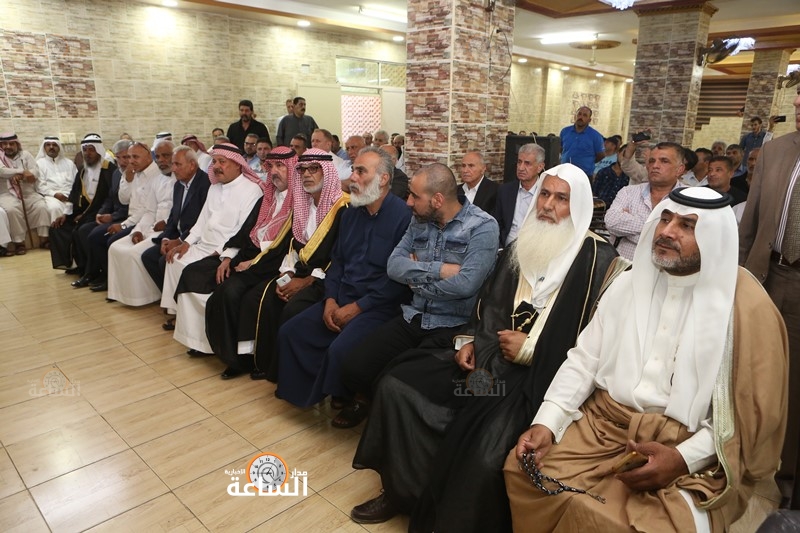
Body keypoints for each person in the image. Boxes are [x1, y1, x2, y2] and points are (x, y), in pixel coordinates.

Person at [348, 163, 621, 530]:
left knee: (485, 450)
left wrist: (532, 348)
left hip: (539, 379)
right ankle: (400, 493)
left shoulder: (602, 263)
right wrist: (471, 340)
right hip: (488, 361)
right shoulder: (522, 244)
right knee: (397, 386)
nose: (547, 205)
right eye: (544, 194)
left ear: (579, 207)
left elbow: (595, 346)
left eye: (561, 199)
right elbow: (489, 303)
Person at [504, 186, 788, 531]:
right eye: (665, 219)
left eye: (687, 225)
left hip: (688, 442)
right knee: (522, 471)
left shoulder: (745, 310)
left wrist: (682, 459)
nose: (667, 232)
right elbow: (583, 361)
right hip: (602, 426)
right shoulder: (627, 284)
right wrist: (546, 423)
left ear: (715, 239)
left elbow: (742, 419)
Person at [335, 163, 499, 428]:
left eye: (414, 196)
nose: (408, 202)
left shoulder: (482, 226)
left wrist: (416, 282)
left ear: (437, 200)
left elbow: (465, 285)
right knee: (353, 365)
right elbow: (393, 266)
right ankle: (373, 403)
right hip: (414, 316)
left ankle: (388, 417)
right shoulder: (419, 220)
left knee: (395, 377)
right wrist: (440, 270)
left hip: (452, 325)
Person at [276, 147, 411, 406]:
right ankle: (306, 394)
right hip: (341, 296)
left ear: (383, 179)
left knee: (341, 350)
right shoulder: (350, 214)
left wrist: (357, 307)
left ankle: (348, 398)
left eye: (361, 172)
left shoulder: (404, 219)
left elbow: (398, 281)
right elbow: (337, 263)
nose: (352, 178)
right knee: (292, 331)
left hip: (378, 306)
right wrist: (330, 300)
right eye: (353, 170)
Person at [205, 148, 346, 379]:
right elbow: (292, 245)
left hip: (321, 278)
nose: (307, 174)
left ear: (327, 172)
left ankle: (265, 362)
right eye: (302, 170)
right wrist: (288, 273)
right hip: (295, 271)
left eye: (314, 169)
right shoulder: (303, 205)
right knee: (258, 294)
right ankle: (247, 358)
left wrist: (306, 281)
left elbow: (339, 255)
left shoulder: (342, 209)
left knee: (262, 299)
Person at [173, 146, 295, 369]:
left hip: (270, 261)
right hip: (247, 253)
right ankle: (202, 342)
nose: (274, 171)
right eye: (271, 166)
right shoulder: (268, 198)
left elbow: (285, 246)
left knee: (228, 291)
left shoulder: (297, 203)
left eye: (281, 166)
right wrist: (228, 256)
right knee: (192, 272)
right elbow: (245, 231)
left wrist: (252, 262)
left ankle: (235, 359)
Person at [739, 85, 800, 509]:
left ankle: (789, 473)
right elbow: (752, 220)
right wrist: (739, 275)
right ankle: (738, 453)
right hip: (767, 275)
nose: (796, 103)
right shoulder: (776, 151)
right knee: (748, 367)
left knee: (793, 384)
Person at [160, 143, 263, 350]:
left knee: (191, 273)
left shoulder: (252, 191)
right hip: (203, 245)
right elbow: (201, 221)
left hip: (224, 251)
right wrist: (186, 242)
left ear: (238, 164)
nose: (216, 166)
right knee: (174, 260)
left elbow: (243, 232)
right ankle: (183, 320)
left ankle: (204, 339)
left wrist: (226, 255)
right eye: (214, 161)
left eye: (222, 162)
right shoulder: (214, 188)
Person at [109, 146, 209, 307]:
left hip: (194, 238)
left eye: (177, 164)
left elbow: (201, 222)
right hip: (174, 234)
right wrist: (166, 238)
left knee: (164, 260)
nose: (173, 168)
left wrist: (180, 241)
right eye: (173, 164)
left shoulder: (205, 185)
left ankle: (177, 305)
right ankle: (169, 299)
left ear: (192, 165)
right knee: (148, 257)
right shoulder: (179, 184)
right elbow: (173, 217)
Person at [605, 142, 684, 260]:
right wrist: (663, 227)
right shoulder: (628, 192)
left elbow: (685, 237)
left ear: (679, 169)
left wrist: (629, 226)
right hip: (626, 266)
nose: (655, 166)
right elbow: (611, 222)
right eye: (651, 161)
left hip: (666, 268)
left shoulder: (689, 197)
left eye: (664, 161)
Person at [49, 134, 116, 271]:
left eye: (91, 150)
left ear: (99, 151)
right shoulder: (82, 170)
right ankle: (76, 265)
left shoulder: (109, 170)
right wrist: (65, 214)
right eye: (85, 150)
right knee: (57, 228)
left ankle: (93, 269)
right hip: (83, 212)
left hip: (100, 213)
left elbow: (110, 199)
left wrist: (85, 215)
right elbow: (74, 194)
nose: (87, 153)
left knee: (81, 229)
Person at [0, 132, 50, 254]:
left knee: (41, 207)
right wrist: (22, 171)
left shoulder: (25, 155)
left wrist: (22, 176)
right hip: (7, 194)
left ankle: (44, 239)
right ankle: (19, 243)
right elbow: (2, 171)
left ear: (17, 144)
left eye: (11, 144)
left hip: (28, 192)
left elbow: (35, 171)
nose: (8, 146)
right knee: (12, 210)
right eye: (4, 144)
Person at [495, 143, 546, 246]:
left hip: (534, 248)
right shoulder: (505, 191)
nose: (521, 168)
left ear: (540, 167)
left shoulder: (546, 194)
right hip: (505, 248)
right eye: (519, 162)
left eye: (527, 163)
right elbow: (496, 223)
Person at [35, 135, 78, 225]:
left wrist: (72, 195)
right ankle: (58, 232)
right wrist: (55, 194)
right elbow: (40, 186)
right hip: (51, 196)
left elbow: (77, 182)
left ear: (59, 147)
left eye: (54, 145)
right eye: (48, 145)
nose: (51, 147)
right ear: (44, 148)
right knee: (55, 208)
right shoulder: (39, 164)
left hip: (71, 195)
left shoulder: (69, 163)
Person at [559, 106, 605, 180]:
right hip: (565, 173)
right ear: (575, 116)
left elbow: (601, 155)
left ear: (589, 120)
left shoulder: (595, 136)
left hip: (584, 175)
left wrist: (587, 162)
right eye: (579, 114)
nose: (581, 117)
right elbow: (560, 149)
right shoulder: (565, 131)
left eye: (585, 115)